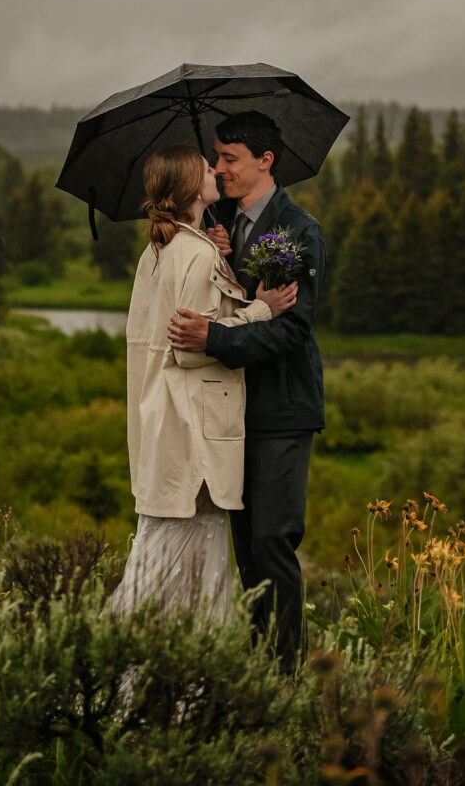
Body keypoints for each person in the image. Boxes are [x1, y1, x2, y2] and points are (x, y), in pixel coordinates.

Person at [109, 144, 297, 620]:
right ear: (192, 188)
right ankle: (172, 686)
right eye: (205, 168)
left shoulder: (160, 249)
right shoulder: (193, 252)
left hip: (163, 428)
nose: (216, 170)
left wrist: (221, 258)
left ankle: (151, 681)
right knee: (180, 580)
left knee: (160, 571)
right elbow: (192, 350)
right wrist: (262, 309)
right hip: (194, 435)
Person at [167, 111, 326, 671]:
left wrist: (211, 338)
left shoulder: (298, 231)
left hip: (281, 409)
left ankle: (284, 678)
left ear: (266, 161)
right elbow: (241, 300)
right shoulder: (220, 222)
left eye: (230, 158)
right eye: (216, 157)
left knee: (272, 543)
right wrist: (225, 257)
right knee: (245, 550)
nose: (219, 168)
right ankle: (258, 672)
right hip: (230, 413)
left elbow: (290, 328)